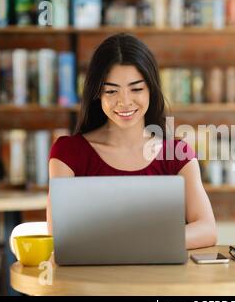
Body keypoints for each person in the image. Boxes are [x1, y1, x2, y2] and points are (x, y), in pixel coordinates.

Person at [47, 33, 217, 249]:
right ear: (97, 93)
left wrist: (133, 243)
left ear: (151, 90)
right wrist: (142, 241)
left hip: (162, 282)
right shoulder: (68, 154)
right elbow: (59, 235)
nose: (125, 102)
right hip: (92, 282)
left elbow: (207, 229)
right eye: (111, 91)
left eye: (136, 89)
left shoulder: (176, 153)